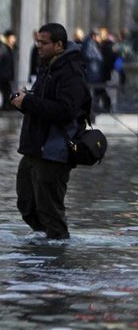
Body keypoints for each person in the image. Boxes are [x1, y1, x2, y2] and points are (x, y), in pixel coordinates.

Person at [10, 22, 92, 241]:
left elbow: (66, 111)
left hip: (55, 151)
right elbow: (43, 104)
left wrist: (29, 102)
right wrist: (23, 101)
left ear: (58, 45)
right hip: (34, 148)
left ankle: (56, 251)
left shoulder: (71, 72)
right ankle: (43, 243)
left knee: (50, 211)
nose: (39, 46)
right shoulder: (48, 67)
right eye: (37, 42)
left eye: (43, 43)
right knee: (26, 204)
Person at [0, 29, 16, 110]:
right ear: (7, 38)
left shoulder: (10, 48)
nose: (14, 40)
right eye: (12, 38)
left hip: (7, 75)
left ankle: (6, 106)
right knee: (6, 91)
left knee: (7, 92)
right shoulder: (3, 48)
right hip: (3, 75)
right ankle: (6, 106)